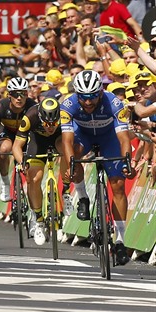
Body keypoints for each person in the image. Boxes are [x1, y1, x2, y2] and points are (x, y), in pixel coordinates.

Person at [60, 70, 135, 265]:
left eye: (93, 96)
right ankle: (83, 197)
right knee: (73, 156)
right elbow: (67, 141)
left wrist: (127, 161)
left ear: (100, 92)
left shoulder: (115, 103)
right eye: (83, 97)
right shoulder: (68, 105)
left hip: (109, 137)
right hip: (82, 136)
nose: (88, 102)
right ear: (77, 95)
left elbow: (124, 138)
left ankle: (120, 241)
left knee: (118, 185)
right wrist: (71, 163)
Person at [12, 98, 66, 245]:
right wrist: (22, 162)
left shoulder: (65, 115)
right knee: (34, 178)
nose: (50, 127)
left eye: (54, 123)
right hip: (38, 143)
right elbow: (17, 146)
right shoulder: (30, 116)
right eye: (47, 124)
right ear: (40, 117)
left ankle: (66, 191)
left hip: (59, 139)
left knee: (67, 152)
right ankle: (39, 219)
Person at [0, 77, 37, 202]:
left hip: (25, 135)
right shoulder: (0, 107)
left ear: (27, 94)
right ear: (9, 95)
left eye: (23, 94)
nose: (19, 98)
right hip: (8, 133)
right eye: (15, 94)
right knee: (4, 149)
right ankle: (5, 183)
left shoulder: (33, 107)